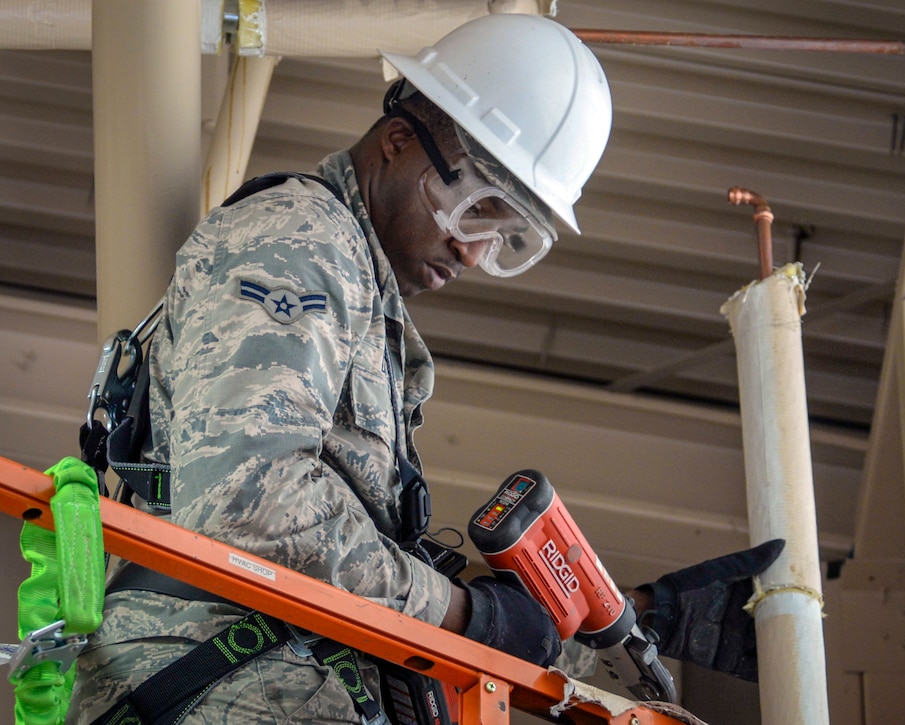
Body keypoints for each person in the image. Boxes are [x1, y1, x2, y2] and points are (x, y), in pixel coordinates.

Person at [65, 13, 781, 725]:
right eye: (477, 210)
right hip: (209, 683)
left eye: (505, 237)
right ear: (399, 142)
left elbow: (360, 559)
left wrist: (611, 618)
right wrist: (467, 612)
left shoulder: (361, 297)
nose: (474, 252)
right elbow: (251, 496)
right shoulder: (298, 238)